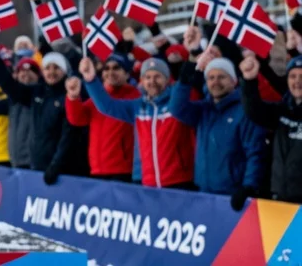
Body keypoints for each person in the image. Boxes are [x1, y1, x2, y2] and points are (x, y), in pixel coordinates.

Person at [77, 56, 194, 189]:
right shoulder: (138, 107)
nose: (152, 81)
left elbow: (183, 89)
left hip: (178, 180)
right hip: (148, 181)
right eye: (147, 77)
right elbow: (107, 106)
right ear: (142, 81)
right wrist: (91, 79)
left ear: (167, 79)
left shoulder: (176, 104)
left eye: (157, 76)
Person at [171, 50, 266, 208]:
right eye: (211, 78)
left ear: (233, 81)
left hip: (232, 195)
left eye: (222, 77)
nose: (216, 82)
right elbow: (177, 108)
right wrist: (184, 79)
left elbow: (255, 152)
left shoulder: (245, 111)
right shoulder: (203, 109)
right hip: (204, 191)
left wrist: (248, 186)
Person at [0, 41, 88, 183]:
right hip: (37, 167)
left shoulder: (70, 96)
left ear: (64, 71)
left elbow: (68, 136)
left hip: (63, 172)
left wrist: (55, 165)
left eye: (56, 68)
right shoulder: (37, 92)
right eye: (47, 68)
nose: (51, 72)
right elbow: (11, 88)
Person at [64, 53, 137, 182]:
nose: (110, 72)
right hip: (97, 167)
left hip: (123, 169)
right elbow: (77, 119)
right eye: (106, 69)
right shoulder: (96, 98)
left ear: (127, 74)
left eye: (116, 68)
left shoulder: (134, 97)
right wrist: (73, 97)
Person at [240, 54, 302, 203]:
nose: (297, 81)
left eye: (301, 76)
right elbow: (254, 111)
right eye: (292, 76)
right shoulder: (282, 109)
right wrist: (249, 80)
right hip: (281, 196)